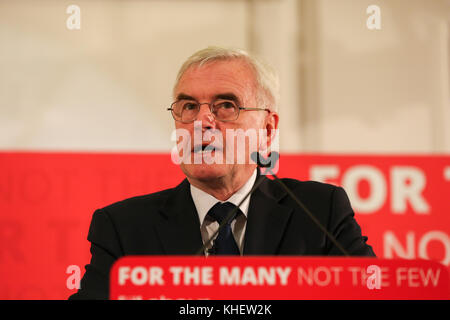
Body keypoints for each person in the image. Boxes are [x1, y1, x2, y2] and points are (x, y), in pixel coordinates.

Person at [69, 46, 375, 300]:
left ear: (267, 130)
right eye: (188, 106)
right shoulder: (124, 228)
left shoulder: (321, 211)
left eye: (226, 105)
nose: (202, 121)